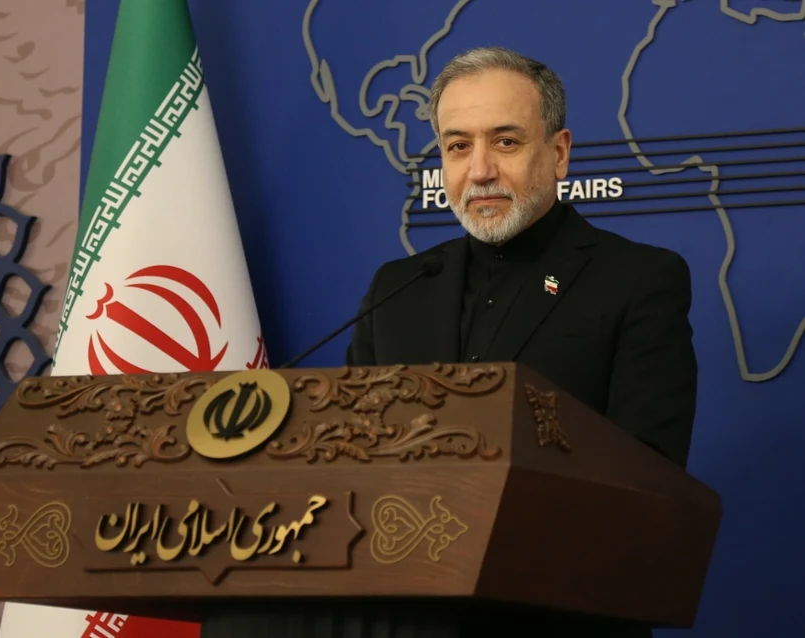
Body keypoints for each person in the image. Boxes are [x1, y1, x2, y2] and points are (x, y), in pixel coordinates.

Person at [201, 46, 696, 638]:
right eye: (458, 146)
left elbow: (646, 480)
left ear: (559, 153)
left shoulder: (638, 280)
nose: (480, 170)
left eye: (505, 142)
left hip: (552, 612)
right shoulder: (399, 287)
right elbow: (348, 462)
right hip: (399, 602)